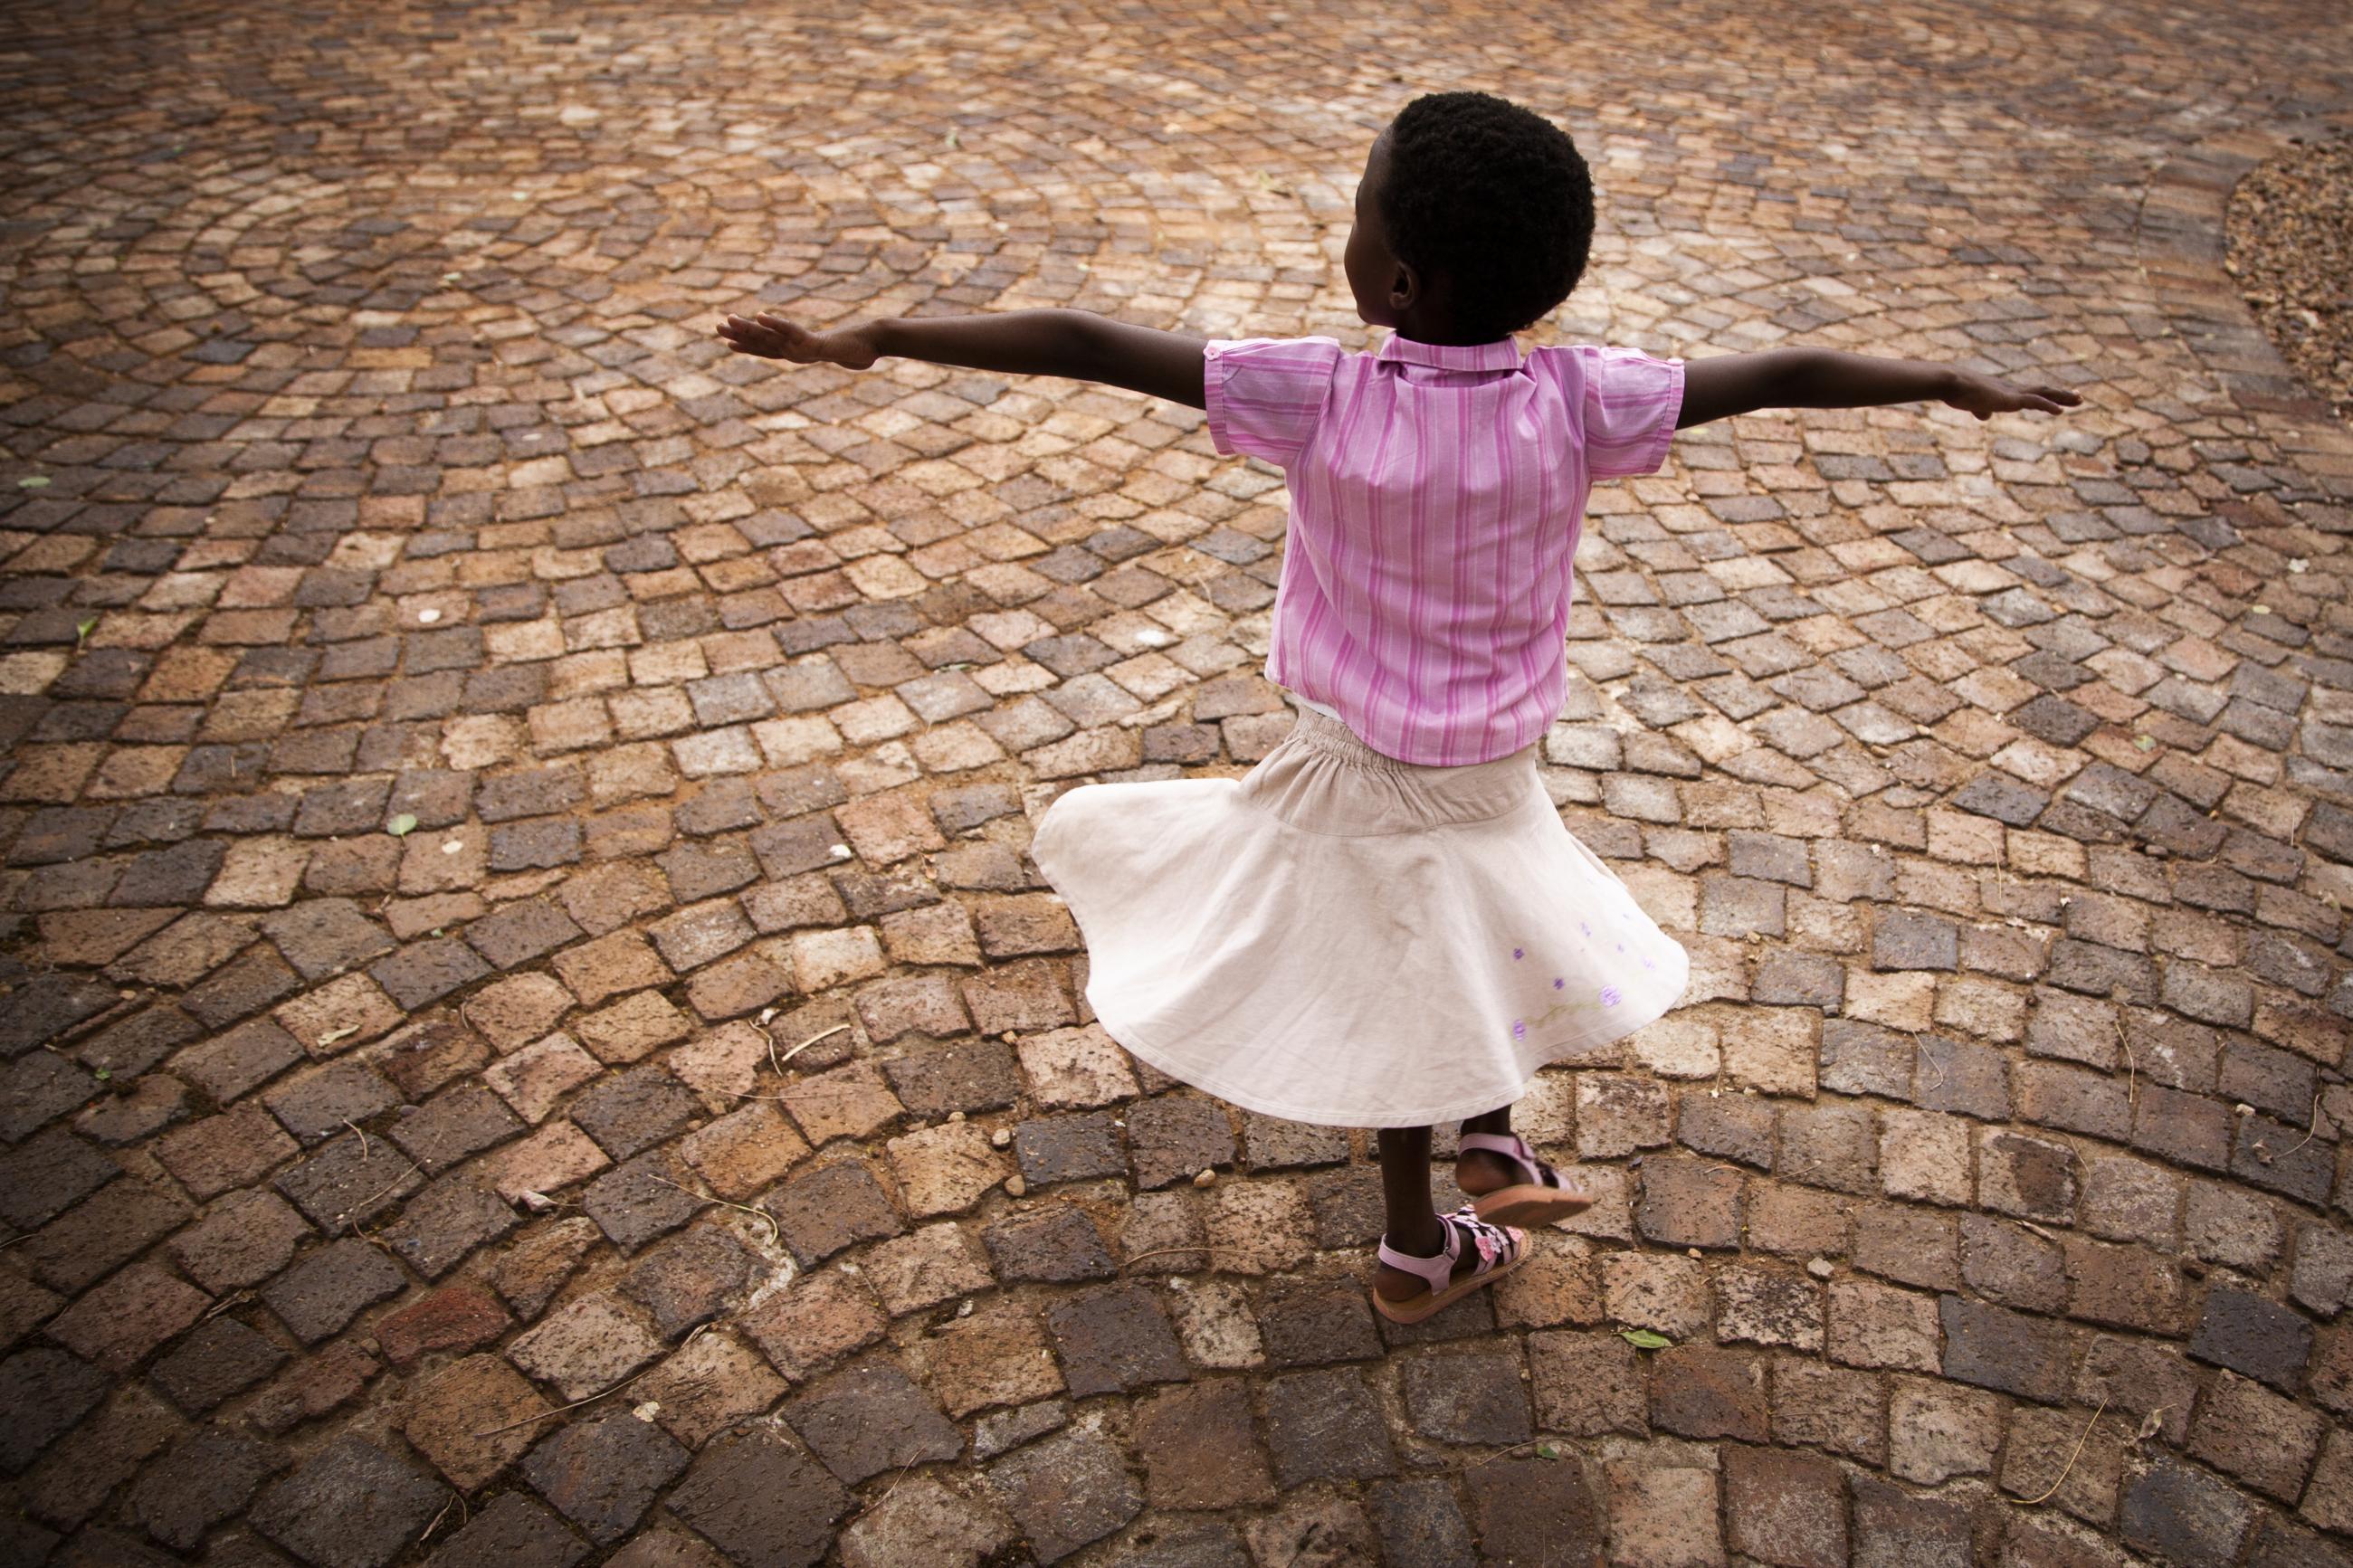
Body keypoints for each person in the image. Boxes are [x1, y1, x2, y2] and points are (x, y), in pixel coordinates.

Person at [717, 90, 2078, 1325]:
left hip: (1362, 765)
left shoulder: (1319, 392)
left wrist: (877, 339)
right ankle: (1493, 1148)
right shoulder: (1583, 399)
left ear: (1401, 277)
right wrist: (1950, 383)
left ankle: (1419, 1245)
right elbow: (1783, 372)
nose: (1348, 234)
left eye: (1357, 217)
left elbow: (1082, 343)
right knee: (1455, 940)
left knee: (1407, 995)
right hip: (1491, 763)